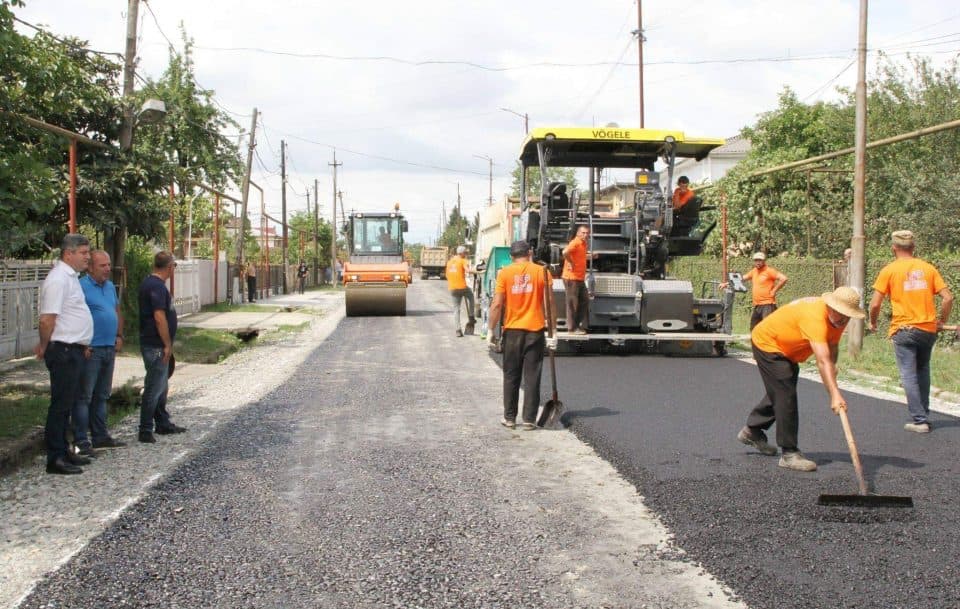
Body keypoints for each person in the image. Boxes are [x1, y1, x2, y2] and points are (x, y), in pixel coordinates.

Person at [737, 286, 864, 472]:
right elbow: (822, 361)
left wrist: (833, 368)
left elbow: (831, 346)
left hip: (788, 350)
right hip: (768, 343)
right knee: (785, 392)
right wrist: (835, 395)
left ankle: (752, 430)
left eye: (847, 315)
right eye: (840, 313)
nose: (843, 319)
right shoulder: (815, 317)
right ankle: (789, 454)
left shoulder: (839, 319)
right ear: (830, 306)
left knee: (781, 390)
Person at [869, 230, 954, 433]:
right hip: (928, 330)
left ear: (894, 248)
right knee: (922, 370)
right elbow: (948, 298)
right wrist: (942, 320)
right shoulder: (928, 268)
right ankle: (923, 413)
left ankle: (919, 420)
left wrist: (873, 322)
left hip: (904, 330)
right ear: (913, 247)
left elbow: (875, 304)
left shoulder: (889, 270)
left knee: (908, 373)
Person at [35, 234, 94, 474]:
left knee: (67, 404)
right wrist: (44, 345)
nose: (88, 257)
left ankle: (65, 449)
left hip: (74, 349)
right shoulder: (58, 279)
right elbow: (47, 319)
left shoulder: (71, 278)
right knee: (60, 405)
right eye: (83, 253)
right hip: (63, 350)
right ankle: (55, 457)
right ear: (68, 253)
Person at [488, 240, 556, 431]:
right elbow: (549, 303)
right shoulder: (542, 272)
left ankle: (509, 418)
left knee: (511, 375)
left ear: (511, 256)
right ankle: (529, 420)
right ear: (530, 253)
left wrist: (490, 330)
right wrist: (554, 332)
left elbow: (497, 304)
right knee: (532, 375)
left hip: (512, 332)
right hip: (535, 331)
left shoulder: (505, 273)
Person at [73, 250, 127, 458]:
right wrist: (82, 343)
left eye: (109, 265)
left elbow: (116, 311)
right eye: (102, 265)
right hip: (91, 348)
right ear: (90, 267)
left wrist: (119, 335)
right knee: (84, 395)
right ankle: (80, 440)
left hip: (109, 347)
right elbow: (75, 316)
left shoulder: (110, 287)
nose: (107, 269)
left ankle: (100, 435)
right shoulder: (81, 287)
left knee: (102, 394)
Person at [138, 251, 186, 443]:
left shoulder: (152, 284)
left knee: (161, 386)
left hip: (155, 344)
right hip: (156, 345)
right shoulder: (156, 287)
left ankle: (162, 422)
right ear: (169, 267)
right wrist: (167, 344)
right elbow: (159, 318)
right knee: (154, 387)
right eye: (174, 266)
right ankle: (145, 429)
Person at [742, 252, 788, 329]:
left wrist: (774, 291)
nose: (758, 262)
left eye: (760, 260)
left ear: (764, 261)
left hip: (768, 304)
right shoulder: (754, 271)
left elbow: (784, 278)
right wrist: (727, 283)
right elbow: (742, 278)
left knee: (767, 328)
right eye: (756, 260)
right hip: (757, 305)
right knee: (754, 328)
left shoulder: (769, 271)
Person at [561, 224, 591, 334]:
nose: (585, 235)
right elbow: (565, 252)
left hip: (579, 278)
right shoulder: (576, 242)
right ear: (578, 233)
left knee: (584, 300)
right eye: (583, 233)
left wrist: (591, 256)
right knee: (572, 303)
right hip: (571, 278)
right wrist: (570, 262)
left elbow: (579, 256)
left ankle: (576, 325)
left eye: (587, 233)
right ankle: (572, 328)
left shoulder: (583, 243)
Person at [446, 245, 476, 337]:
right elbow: (468, 271)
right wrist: (478, 272)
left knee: (456, 309)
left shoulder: (449, 262)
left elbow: (447, 275)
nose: (466, 254)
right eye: (465, 253)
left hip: (452, 288)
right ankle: (471, 316)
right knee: (471, 297)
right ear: (462, 253)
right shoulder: (463, 260)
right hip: (462, 287)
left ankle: (458, 330)